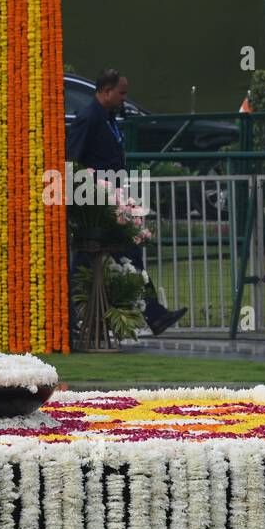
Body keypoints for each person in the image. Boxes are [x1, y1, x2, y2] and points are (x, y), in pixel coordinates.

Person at [66, 68, 186, 336]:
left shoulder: (108, 117)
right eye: (121, 93)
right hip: (96, 204)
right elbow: (73, 160)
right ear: (107, 91)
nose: (124, 98)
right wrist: (87, 198)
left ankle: (154, 314)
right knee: (88, 259)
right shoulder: (88, 118)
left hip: (113, 200)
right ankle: (70, 318)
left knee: (120, 254)